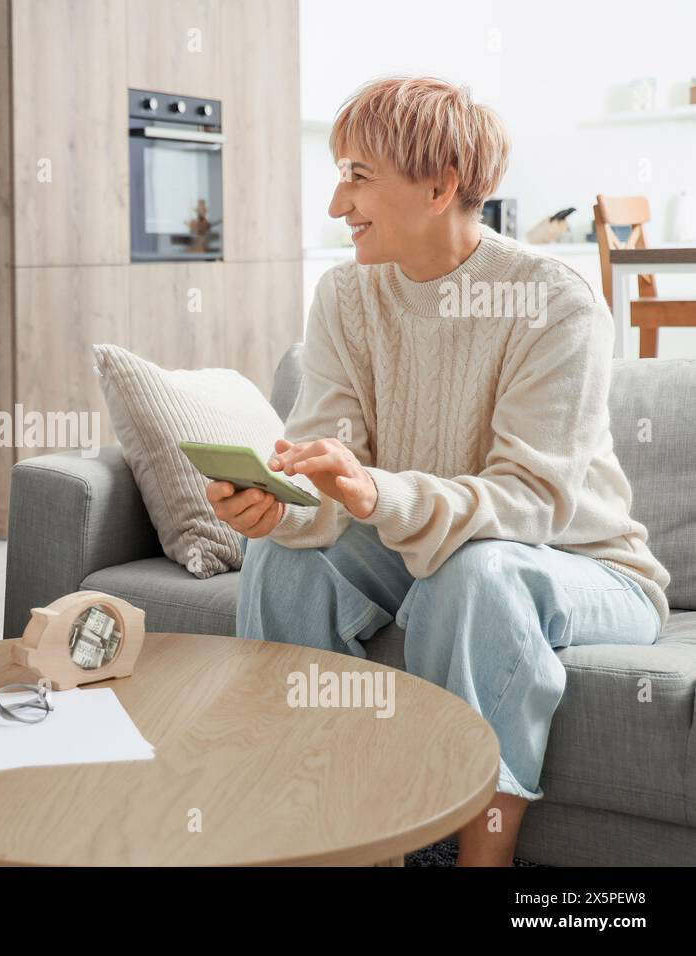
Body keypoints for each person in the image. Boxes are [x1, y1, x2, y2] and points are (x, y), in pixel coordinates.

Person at [211, 76, 669, 866]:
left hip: (587, 566)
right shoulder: (346, 294)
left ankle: (476, 859)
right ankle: (326, 834)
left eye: (357, 177)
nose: (334, 204)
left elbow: (533, 502)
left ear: (439, 186)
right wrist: (278, 508)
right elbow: (327, 470)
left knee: (477, 574)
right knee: (280, 560)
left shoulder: (553, 301)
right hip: (429, 547)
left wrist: (378, 491)